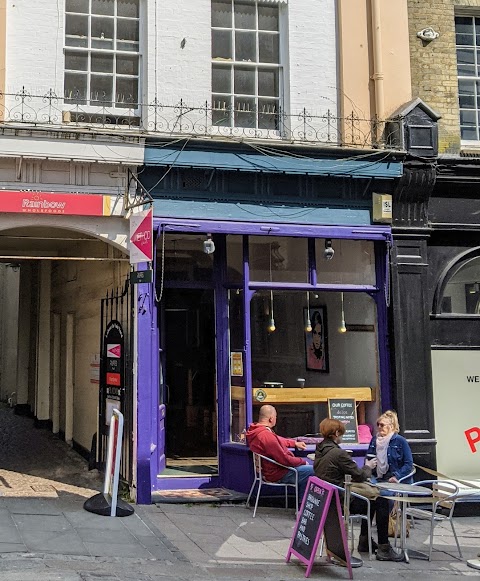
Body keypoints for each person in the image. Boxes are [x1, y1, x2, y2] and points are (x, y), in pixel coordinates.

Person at [314, 418, 404, 562]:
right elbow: (361, 475)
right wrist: (368, 465)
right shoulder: (338, 454)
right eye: (341, 434)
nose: (342, 437)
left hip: (328, 497)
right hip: (341, 500)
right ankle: (383, 548)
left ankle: (365, 540)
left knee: (372, 497)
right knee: (380, 499)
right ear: (336, 433)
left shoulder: (320, 450)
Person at [246, 405, 314, 504]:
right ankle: (303, 507)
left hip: (270, 471)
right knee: (313, 470)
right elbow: (284, 459)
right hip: (278, 473)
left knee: (308, 470)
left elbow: (277, 439)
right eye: (276, 417)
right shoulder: (266, 436)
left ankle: (303, 505)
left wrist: (293, 443)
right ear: (271, 419)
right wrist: (303, 462)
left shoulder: (258, 431)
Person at [367, 410, 414, 484]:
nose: (379, 427)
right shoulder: (374, 440)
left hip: (394, 479)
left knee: (381, 492)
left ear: (391, 427)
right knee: (364, 490)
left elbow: (408, 464)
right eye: (378, 424)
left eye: (382, 425)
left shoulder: (400, 441)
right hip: (377, 478)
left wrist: (397, 476)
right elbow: (368, 457)